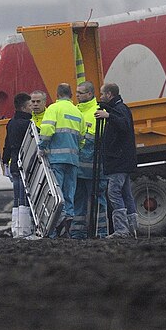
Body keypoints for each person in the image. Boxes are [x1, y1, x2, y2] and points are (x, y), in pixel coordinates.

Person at [38, 83, 84, 236]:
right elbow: (82, 138)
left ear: (57, 95)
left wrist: (41, 146)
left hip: (56, 159)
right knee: (69, 194)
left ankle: (55, 231)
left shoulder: (53, 109)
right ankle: (67, 229)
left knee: (56, 196)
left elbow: (47, 130)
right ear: (71, 95)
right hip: (73, 159)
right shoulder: (78, 112)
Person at [95, 83, 137, 239]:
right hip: (123, 161)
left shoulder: (119, 110)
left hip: (118, 161)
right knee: (126, 194)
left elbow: (123, 125)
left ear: (109, 94)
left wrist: (108, 116)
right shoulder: (120, 108)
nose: (100, 97)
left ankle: (121, 230)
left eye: (102, 94)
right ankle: (133, 228)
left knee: (114, 193)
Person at [73, 81, 109, 239]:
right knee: (78, 201)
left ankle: (101, 232)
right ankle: (77, 232)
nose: (77, 95)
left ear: (89, 94)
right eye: (76, 92)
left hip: (94, 168)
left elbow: (97, 140)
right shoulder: (75, 111)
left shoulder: (97, 112)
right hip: (78, 168)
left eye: (80, 93)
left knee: (98, 200)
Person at [1, 93, 33, 238]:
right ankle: (25, 230)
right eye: (30, 105)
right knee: (25, 197)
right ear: (24, 107)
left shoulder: (12, 123)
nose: (33, 107)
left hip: (13, 165)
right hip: (24, 166)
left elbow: (7, 145)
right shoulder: (27, 124)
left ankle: (17, 229)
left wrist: (4, 161)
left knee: (17, 199)